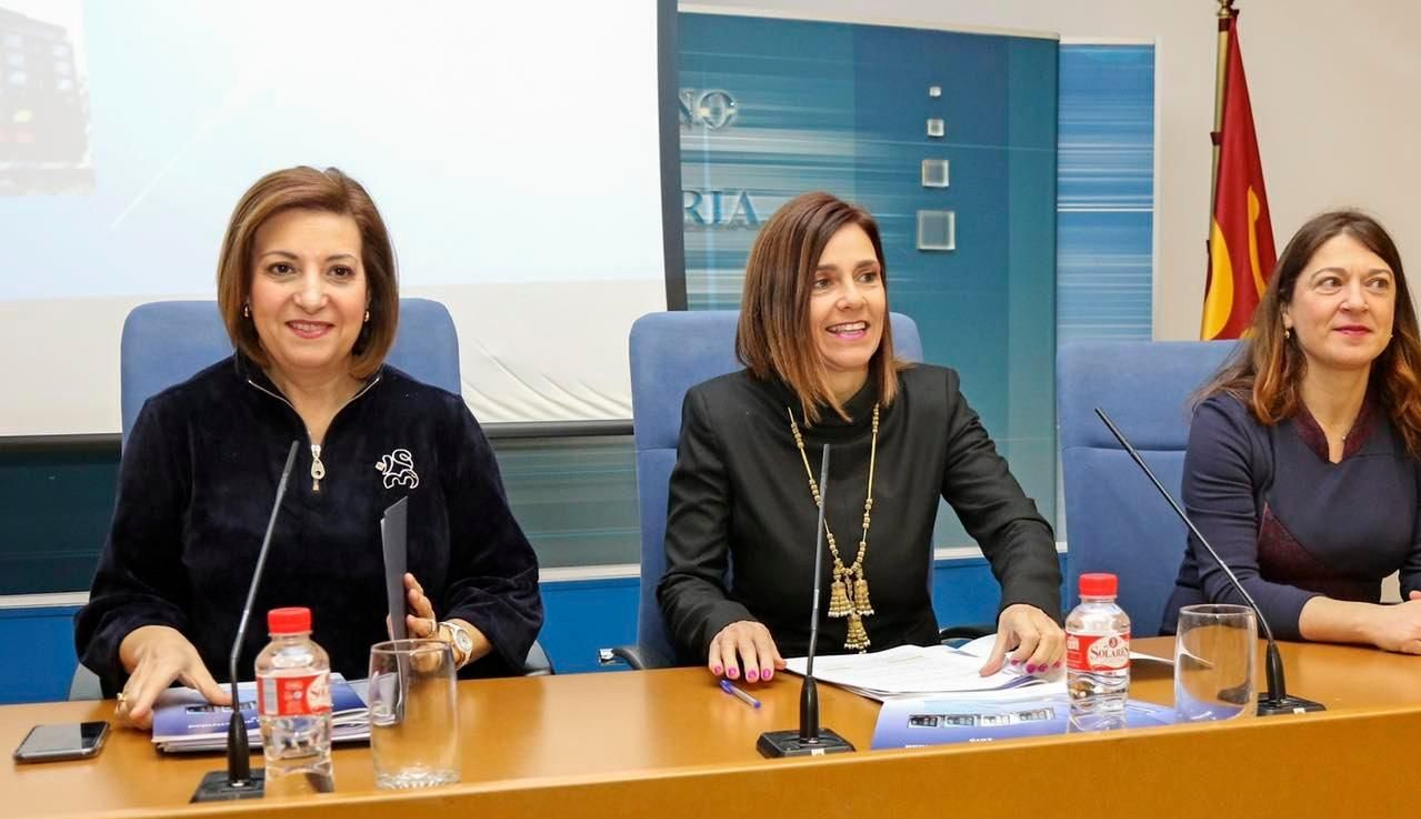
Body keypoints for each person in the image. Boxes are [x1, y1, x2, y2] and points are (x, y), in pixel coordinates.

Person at [76, 166, 543, 727]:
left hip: (411, 740)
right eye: (282, 269)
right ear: (245, 290)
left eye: (340, 272)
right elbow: (122, 602)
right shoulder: (178, 424)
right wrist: (151, 641)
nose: (312, 296)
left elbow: (505, 585)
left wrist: (448, 642)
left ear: (370, 294)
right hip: (233, 742)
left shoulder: (434, 421)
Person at [658, 191, 1063, 683]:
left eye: (867, 276)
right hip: (781, 683)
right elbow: (686, 581)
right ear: (777, 300)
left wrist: (1028, 601)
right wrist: (726, 623)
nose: (854, 298)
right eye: (822, 283)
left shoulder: (934, 400)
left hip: (914, 690)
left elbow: (1016, 526)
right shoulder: (720, 414)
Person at [1163, 209, 1421, 654]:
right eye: (1331, 283)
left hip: (1357, 664)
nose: (1357, 301)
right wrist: (1374, 621)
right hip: (1221, 664)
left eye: (1377, 284)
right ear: (1285, 312)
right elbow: (1233, 590)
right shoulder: (1228, 422)